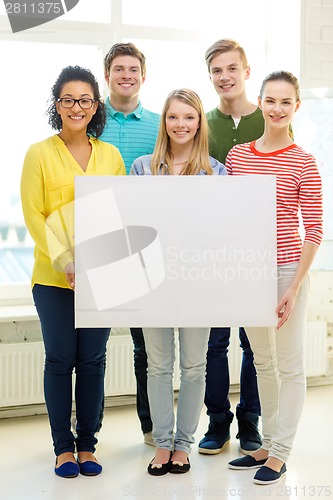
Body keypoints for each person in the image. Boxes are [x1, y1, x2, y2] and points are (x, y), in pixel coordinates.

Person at [20, 65, 126, 478]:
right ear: (57, 105)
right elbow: (34, 214)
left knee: (94, 361)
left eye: (85, 99)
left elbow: (118, 215)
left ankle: (88, 446)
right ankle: (63, 448)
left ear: (96, 105)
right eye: (68, 99)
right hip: (53, 279)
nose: (76, 107)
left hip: (101, 277)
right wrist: (65, 261)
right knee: (60, 360)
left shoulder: (111, 156)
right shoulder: (39, 154)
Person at [227, 71, 323, 484]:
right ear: (260, 103)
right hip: (249, 271)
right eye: (271, 100)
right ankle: (266, 444)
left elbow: (314, 229)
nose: (278, 109)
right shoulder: (237, 157)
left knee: (290, 365)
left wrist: (294, 287)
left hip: (287, 272)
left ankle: (281, 452)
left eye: (286, 102)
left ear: (296, 107)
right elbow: (227, 219)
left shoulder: (304, 161)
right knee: (262, 362)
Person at [131, 88, 227, 475]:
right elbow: (134, 225)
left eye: (189, 117)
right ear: (164, 122)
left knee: (193, 367)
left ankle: (183, 445)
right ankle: (162, 442)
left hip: (197, 282)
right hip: (152, 282)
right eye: (174, 117)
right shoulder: (142, 168)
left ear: (199, 122)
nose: (181, 124)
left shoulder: (215, 171)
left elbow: (222, 229)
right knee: (157, 366)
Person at [198, 38, 264, 456]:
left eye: (231, 69)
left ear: (246, 71)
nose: (224, 77)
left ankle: (250, 424)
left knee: (253, 342)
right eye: (216, 71)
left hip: (256, 248)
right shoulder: (203, 123)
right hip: (211, 249)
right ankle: (217, 421)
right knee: (215, 342)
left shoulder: (271, 118)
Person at [99, 42, 160, 446]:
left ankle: (151, 426)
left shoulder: (159, 124)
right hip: (97, 241)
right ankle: (87, 434)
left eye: (133, 69)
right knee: (92, 346)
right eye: (118, 69)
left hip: (144, 246)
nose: (126, 75)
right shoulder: (89, 117)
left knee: (145, 346)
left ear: (143, 75)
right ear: (107, 75)